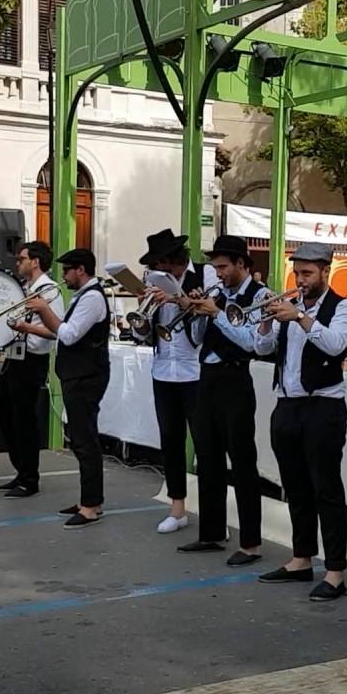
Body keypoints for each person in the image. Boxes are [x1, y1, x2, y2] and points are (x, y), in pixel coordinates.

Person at [253, 242, 347, 602]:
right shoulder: (290, 307)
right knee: (295, 486)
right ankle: (301, 558)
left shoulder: (343, 307)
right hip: (287, 405)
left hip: (323, 406)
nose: (301, 280)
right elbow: (264, 350)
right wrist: (266, 321)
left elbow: (335, 344)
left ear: (325, 272)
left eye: (308, 273)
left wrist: (299, 318)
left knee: (325, 489)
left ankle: (335, 571)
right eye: (298, 273)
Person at [178, 235, 270, 565]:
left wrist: (215, 313)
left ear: (242, 264)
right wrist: (197, 312)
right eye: (215, 267)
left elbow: (251, 343)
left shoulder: (261, 297)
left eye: (223, 267)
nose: (217, 273)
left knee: (242, 461)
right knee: (208, 456)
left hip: (236, 379)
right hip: (208, 378)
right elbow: (198, 339)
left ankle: (251, 543)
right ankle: (212, 533)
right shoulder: (216, 293)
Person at [134, 229, 219, 535]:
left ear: (174, 262)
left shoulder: (206, 275)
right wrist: (142, 316)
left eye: (161, 264)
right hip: (163, 370)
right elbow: (145, 333)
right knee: (170, 440)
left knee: (205, 444)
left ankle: (213, 516)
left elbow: (211, 310)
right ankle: (177, 507)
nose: (157, 270)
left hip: (196, 371)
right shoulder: (152, 281)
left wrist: (176, 298)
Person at [25, 248, 111, 529]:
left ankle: (90, 506)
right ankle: (91, 500)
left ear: (81, 270)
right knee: (82, 439)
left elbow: (69, 334)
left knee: (85, 441)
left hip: (86, 377)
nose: (64, 277)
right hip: (79, 375)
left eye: (67, 271)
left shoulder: (93, 298)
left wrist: (43, 309)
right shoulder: (83, 296)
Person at [0, 241, 64, 498]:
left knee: (24, 420)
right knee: (5, 414)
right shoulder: (26, 289)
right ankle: (21, 470)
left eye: (21, 258)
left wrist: (26, 329)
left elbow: (55, 330)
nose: (18, 263)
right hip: (16, 357)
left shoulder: (49, 292)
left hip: (32, 360)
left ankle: (29, 478)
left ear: (35, 261)